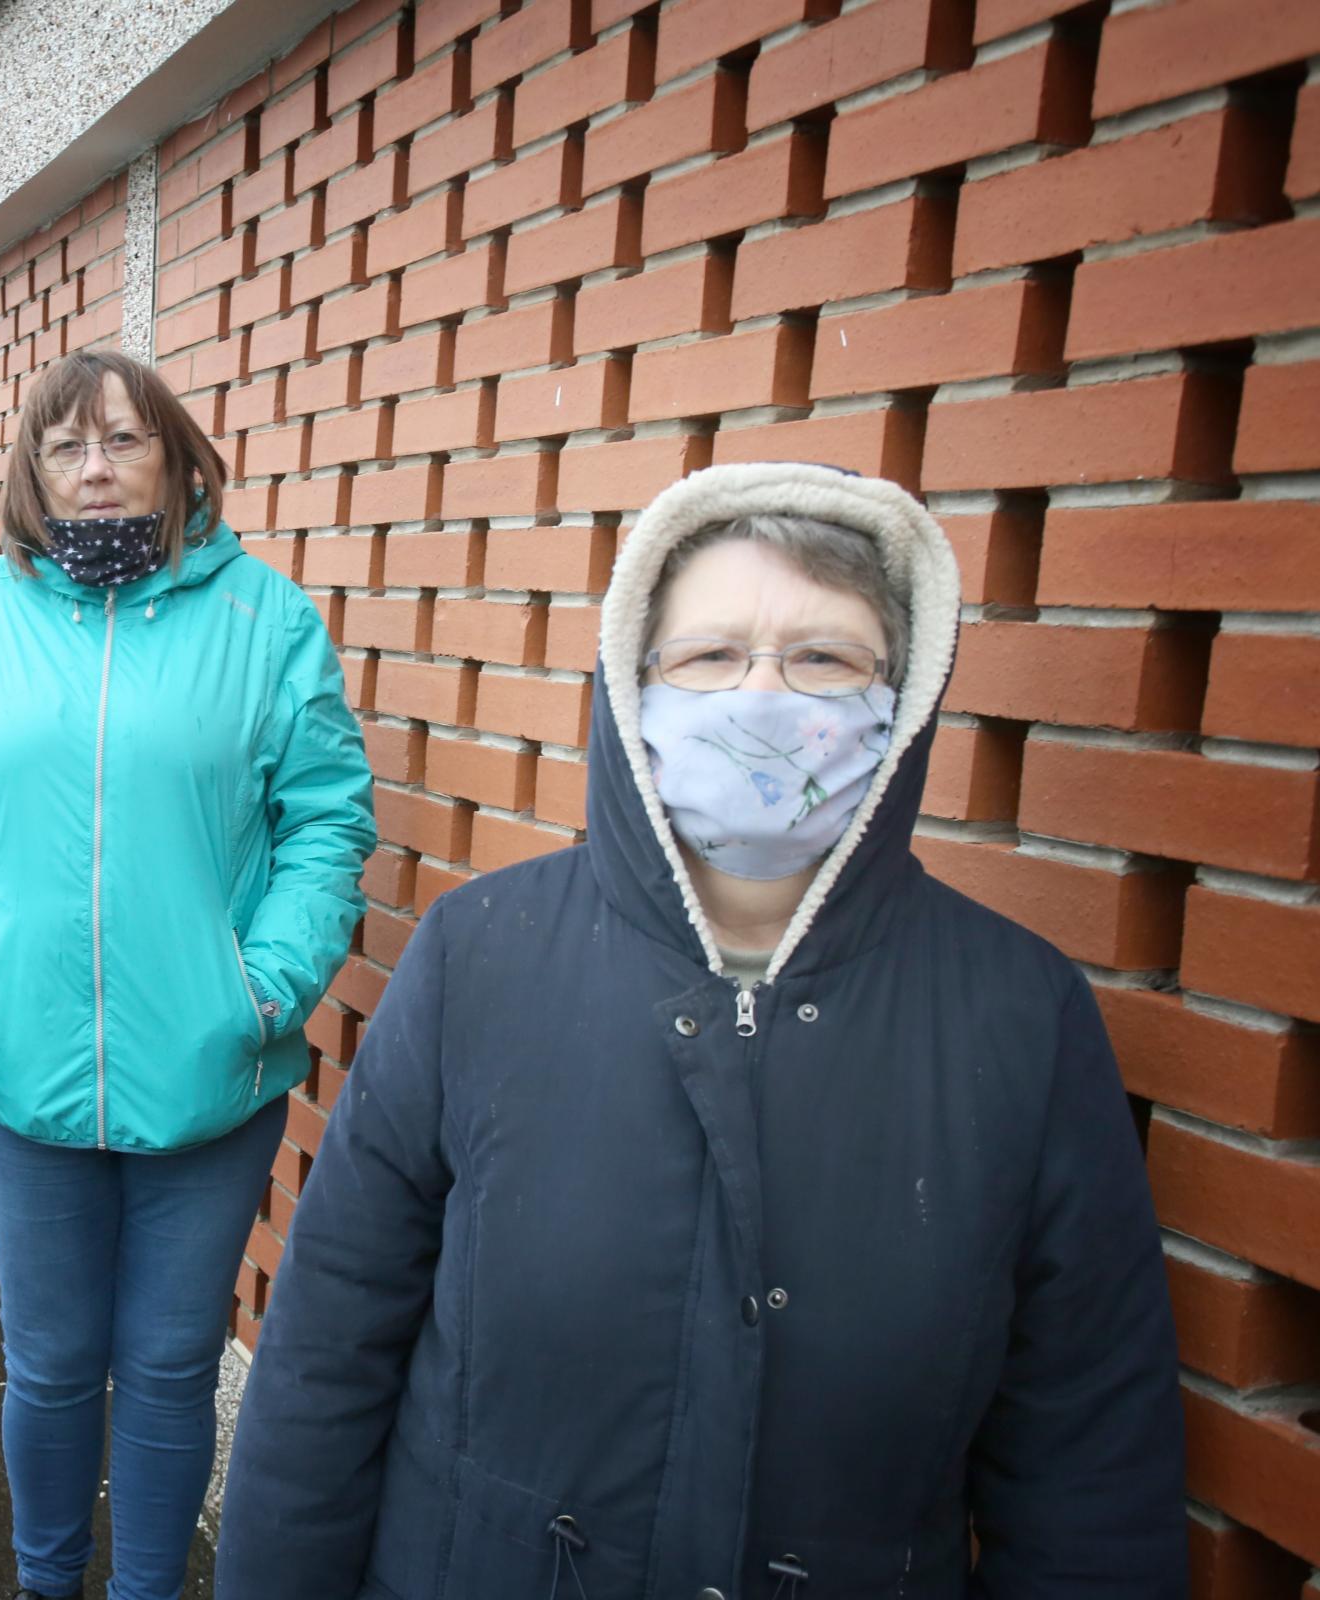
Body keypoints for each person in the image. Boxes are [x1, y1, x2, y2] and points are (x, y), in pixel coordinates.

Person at [216, 462, 1186, 1598]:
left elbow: (1086, 1463)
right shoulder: (477, 954)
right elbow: (328, 1355)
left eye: (824, 658)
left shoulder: (1021, 1016)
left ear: (902, 697)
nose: (761, 697)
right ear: (637, 686)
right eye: (711, 655)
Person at [0, 349, 376, 1600]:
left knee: (165, 1364)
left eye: (121, 439)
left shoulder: (265, 617)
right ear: (32, 473)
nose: (93, 467)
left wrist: (263, 988)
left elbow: (326, 820)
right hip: (23, 1066)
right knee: (47, 1364)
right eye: (64, 445)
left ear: (176, 456)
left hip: (212, 1071)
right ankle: (50, 1586)